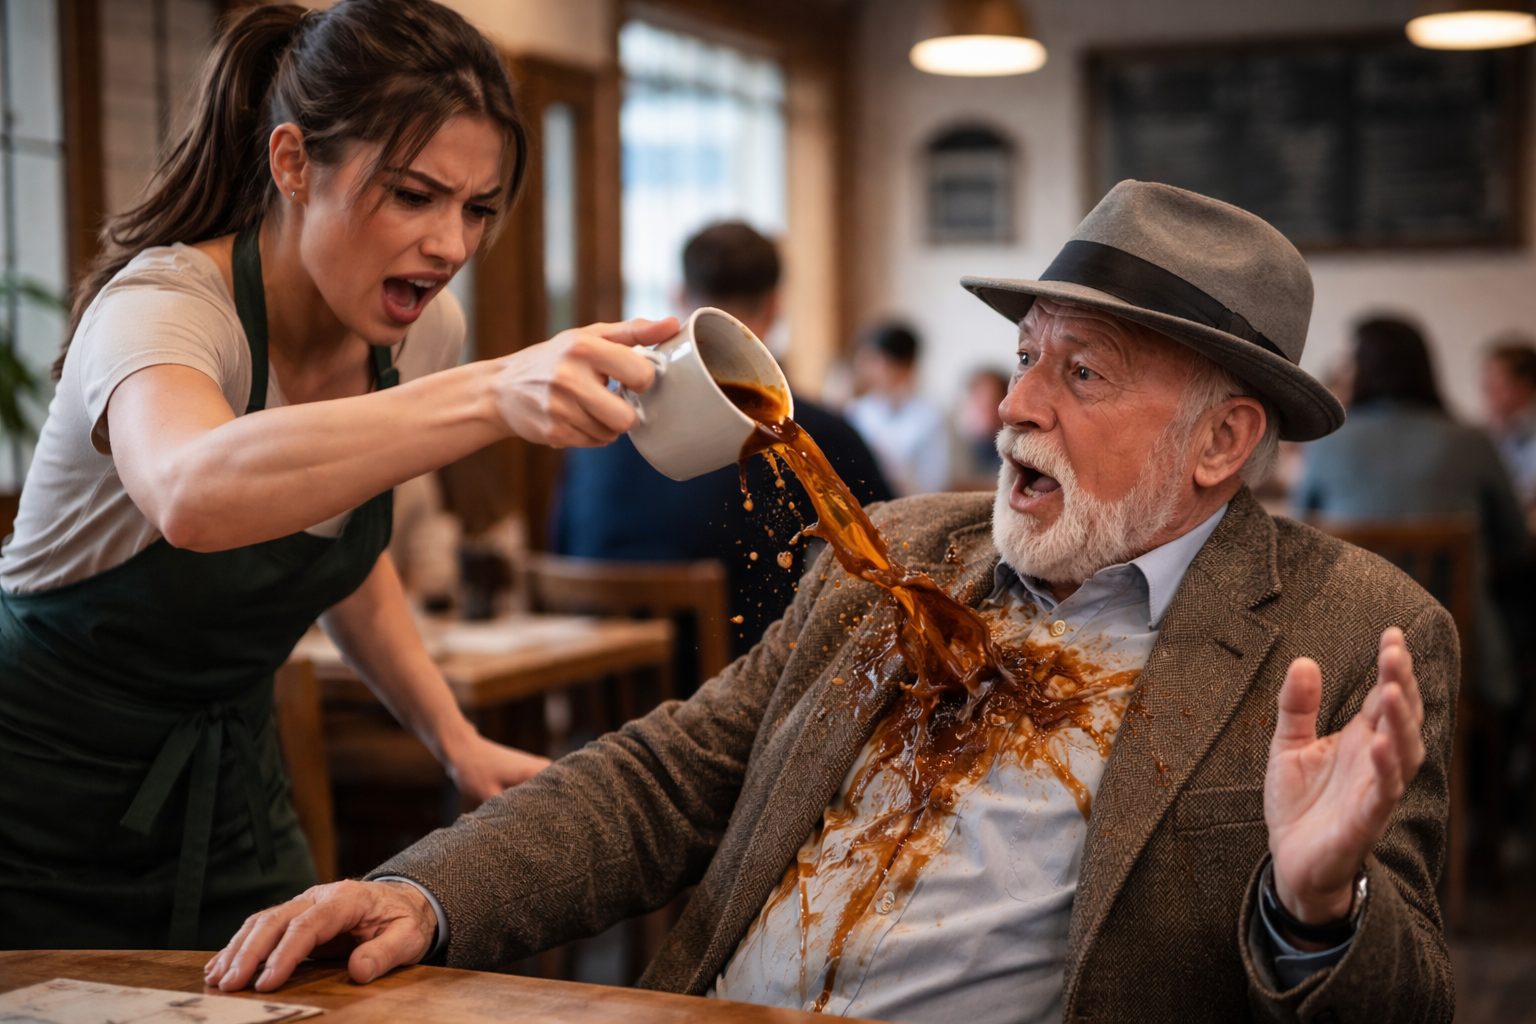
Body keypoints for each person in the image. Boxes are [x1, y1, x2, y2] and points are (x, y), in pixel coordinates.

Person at [210, 182, 1453, 1023]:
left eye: (1083, 373)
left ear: (1225, 438)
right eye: (1025, 358)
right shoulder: (906, 551)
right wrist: (422, 893)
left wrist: (1314, 907)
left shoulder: (1350, 635)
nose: (1017, 408)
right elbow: (670, 773)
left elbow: (1416, 999)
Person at [0, 0, 672, 951]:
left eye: (477, 209)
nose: (450, 246)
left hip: (232, 801)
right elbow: (192, 491)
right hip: (31, 803)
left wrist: (454, 739)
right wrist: (488, 396)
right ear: (293, 164)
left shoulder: (419, 334)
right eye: (413, 195)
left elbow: (349, 557)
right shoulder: (163, 308)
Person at [553, 221, 891, 663]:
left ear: (678, 298)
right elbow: (893, 545)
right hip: (739, 714)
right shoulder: (807, 428)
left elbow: (558, 545)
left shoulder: (600, 419)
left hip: (593, 705)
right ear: (775, 307)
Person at [1298, 318, 1527, 709]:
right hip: (1459, 651)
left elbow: (1302, 542)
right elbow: (1517, 546)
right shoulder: (1471, 440)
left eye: (1349, 362)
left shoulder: (1328, 444)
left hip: (1348, 654)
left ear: (1364, 367)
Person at [846, 322, 949, 495]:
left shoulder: (932, 416)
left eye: (875, 360)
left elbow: (935, 484)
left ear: (904, 364)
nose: (866, 370)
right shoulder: (857, 411)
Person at [1483, 337, 1536, 517]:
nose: (1487, 391)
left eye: (1497, 384)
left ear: (1525, 385)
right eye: (1486, 382)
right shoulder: (1492, 433)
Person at [948, 366, 1009, 488]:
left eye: (992, 400)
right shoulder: (950, 448)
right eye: (977, 399)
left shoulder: (1016, 452)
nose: (985, 408)